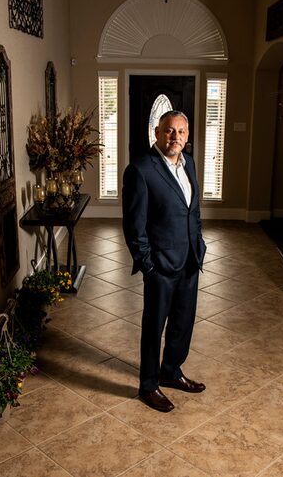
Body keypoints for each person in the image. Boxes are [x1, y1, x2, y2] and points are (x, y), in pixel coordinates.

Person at [122, 110, 207, 412]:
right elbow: (134, 226)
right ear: (157, 133)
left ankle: (171, 370)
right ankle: (148, 385)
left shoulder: (190, 164)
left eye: (181, 132)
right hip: (160, 265)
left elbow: (192, 209)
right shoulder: (141, 170)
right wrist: (148, 265)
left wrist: (199, 243)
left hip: (189, 260)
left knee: (183, 322)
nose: (176, 137)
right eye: (170, 131)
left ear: (187, 135)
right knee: (154, 325)